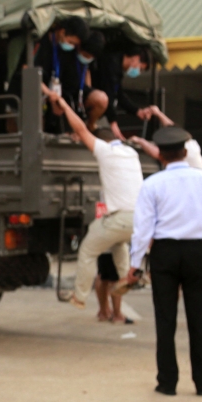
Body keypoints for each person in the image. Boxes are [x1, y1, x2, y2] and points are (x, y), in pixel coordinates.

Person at [125, 127, 202, 397]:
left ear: (160, 155)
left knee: (165, 319)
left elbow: (143, 229)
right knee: (199, 319)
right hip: (198, 252)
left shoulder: (152, 184)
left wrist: (135, 264)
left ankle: (167, 382)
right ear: (185, 152)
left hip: (165, 253)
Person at [41, 83, 143, 314]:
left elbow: (82, 129)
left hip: (120, 218)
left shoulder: (105, 151)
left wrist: (65, 105)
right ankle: (125, 276)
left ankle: (79, 296)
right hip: (138, 220)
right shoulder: (131, 153)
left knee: (88, 251)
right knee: (117, 241)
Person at [92, 45, 173, 142]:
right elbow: (110, 94)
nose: (138, 72)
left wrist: (137, 111)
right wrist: (113, 123)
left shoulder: (117, 67)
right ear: (136, 58)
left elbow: (119, 95)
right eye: (141, 69)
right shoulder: (111, 64)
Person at [33, 16, 93, 133]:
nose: (70, 46)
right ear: (62, 32)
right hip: (26, 92)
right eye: (70, 42)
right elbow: (28, 70)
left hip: (45, 95)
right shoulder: (40, 42)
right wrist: (49, 93)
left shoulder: (64, 50)